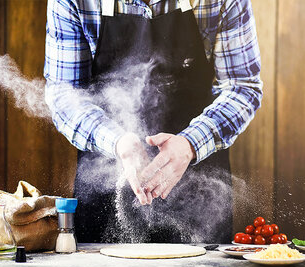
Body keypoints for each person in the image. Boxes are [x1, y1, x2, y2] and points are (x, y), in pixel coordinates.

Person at [44, 0, 263, 243]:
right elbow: (64, 94)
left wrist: (191, 144)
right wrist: (117, 142)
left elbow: (242, 87)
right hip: (106, 181)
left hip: (199, 189)